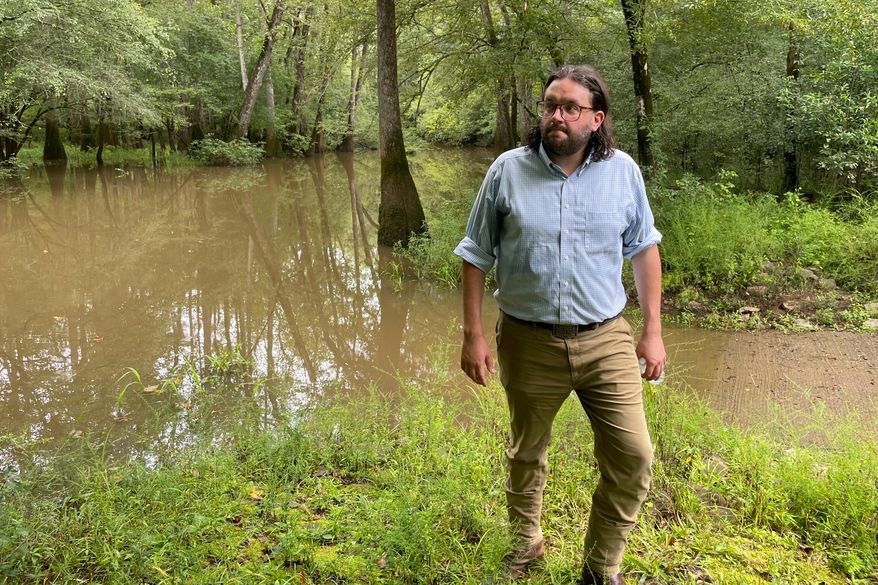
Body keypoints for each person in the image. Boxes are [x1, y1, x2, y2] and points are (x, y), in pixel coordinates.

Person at [454, 64, 665, 585]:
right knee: (527, 451)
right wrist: (473, 333)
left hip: (606, 338)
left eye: (570, 108)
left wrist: (653, 330)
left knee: (634, 456)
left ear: (596, 118)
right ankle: (526, 545)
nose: (557, 116)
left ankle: (601, 566)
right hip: (528, 340)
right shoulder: (507, 170)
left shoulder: (624, 173)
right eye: (550, 105)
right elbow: (475, 254)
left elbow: (643, 247)